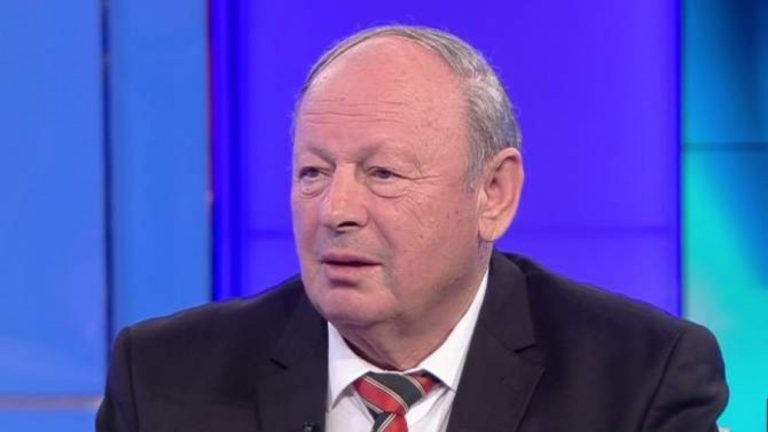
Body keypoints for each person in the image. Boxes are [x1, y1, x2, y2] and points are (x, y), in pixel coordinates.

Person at [96, 25, 728, 432]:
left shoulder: (639, 381)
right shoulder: (162, 380)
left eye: (383, 174)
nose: (336, 210)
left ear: (494, 194)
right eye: (313, 172)